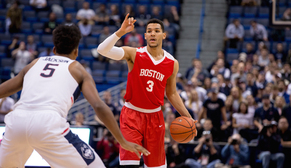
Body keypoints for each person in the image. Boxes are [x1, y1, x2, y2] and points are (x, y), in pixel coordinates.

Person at [0, 24, 149, 168]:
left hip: (16, 122)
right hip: (48, 123)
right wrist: (122, 140)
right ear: (76, 51)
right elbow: (98, 105)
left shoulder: (33, 64)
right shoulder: (78, 69)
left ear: (54, 49)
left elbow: (2, 90)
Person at [97, 15, 194, 167]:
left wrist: (188, 117)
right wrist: (121, 32)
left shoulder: (172, 63)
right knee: (129, 164)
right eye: (149, 31)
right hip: (131, 116)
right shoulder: (134, 54)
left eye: (156, 30)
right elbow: (102, 50)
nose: (153, 33)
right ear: (145, 35)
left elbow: (172, 93)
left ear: (163, 35)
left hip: (155, 118)